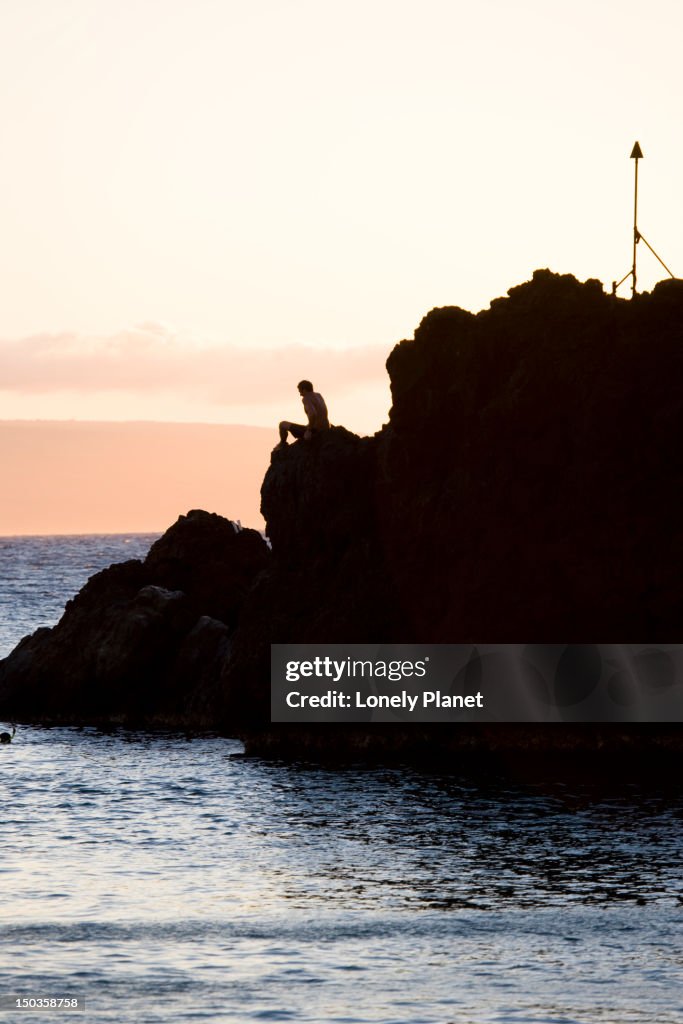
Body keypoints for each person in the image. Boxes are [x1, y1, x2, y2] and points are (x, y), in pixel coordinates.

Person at [278, 380, 329, 447]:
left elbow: (313, 414)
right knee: (306, 426)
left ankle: (282, 444)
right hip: (325, 429)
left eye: (300, 391)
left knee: (282, 424)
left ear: (304, 390)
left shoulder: (306, 398)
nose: (300, 394)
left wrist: (308, 431)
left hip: (315, 431)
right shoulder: (319, 395)